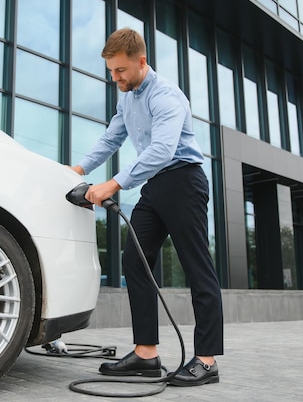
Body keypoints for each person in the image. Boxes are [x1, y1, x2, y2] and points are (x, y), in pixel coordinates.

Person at [70, 28, 224, 386]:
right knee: (135, 261)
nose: (115, 78)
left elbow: (162, 150)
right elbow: (113, 136)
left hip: (184, 181)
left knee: (197, 268)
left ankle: (206, 360)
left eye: (120, 70)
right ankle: (146, 354)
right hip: (155, 186)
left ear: (141, 61)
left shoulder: (166, 96)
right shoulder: (126, 96)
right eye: (111, 71)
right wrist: (79, 169)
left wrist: (115, 182)